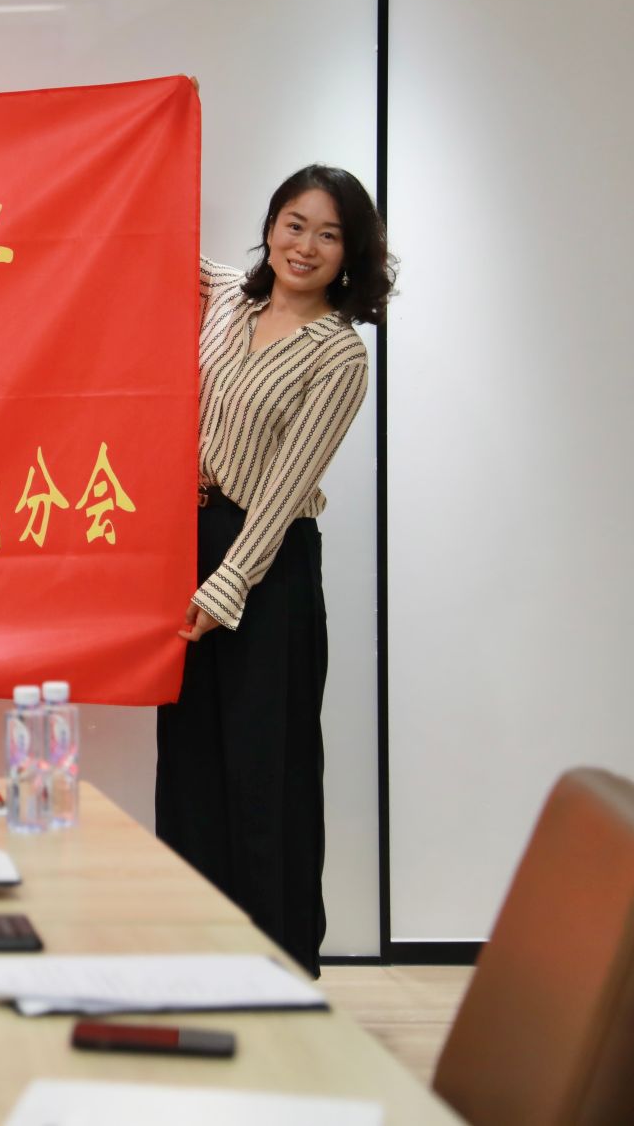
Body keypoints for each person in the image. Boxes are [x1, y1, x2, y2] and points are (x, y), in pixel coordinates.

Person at [155, 164, 395, 979]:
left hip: (269, 565)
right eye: (295, 223)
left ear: (351, 254)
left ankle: (279, 965)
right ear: (270, 225)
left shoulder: (340, 355)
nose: (306, 246)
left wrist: (227, 586)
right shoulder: (228, 296)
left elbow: (287, 488)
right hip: (188, 543)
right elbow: (140, 239)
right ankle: (195, 952)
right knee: (189, 761)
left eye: (329, 234)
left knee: (267, 768)